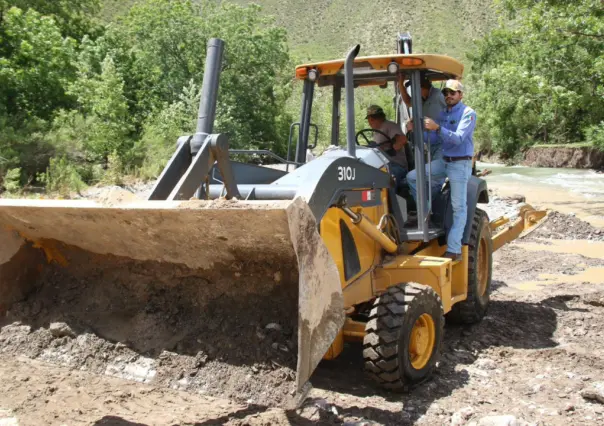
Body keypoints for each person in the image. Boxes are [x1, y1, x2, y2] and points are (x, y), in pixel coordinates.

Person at [423, 79, 477, 261]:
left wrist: (437, 127)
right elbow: (433, 137)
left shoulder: (468, 114)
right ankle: (428, 215)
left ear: (460, 95)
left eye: (452, 93)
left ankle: (454, 249)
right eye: (446, 93)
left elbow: (458, 138)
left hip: (460, 164)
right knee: (414, 177)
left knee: (459, 207)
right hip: (444, 161)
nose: (448, 96)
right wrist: (416, 129)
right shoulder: (443, 114)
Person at [402, 75, 447, 204]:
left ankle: (427, 211)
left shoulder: (439, 97)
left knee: (434, 181)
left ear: (423, 87)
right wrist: (400, 83)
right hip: (428, 145)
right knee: (422, 177)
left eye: (416, 89)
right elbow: (408, 101)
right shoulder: (421, 99)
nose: (414, 93)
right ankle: (424, 209)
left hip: (441, 144)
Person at [365, 105, 408, 191]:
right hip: (382, 165)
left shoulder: (390, 126)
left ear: (378, 118)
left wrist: (390, 151)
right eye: (369, 120)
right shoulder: (377, 131)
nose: (370, 122)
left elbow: (403, 140)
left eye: (371, 119)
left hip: (396, 165)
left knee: (387, 178)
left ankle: (390, 202)